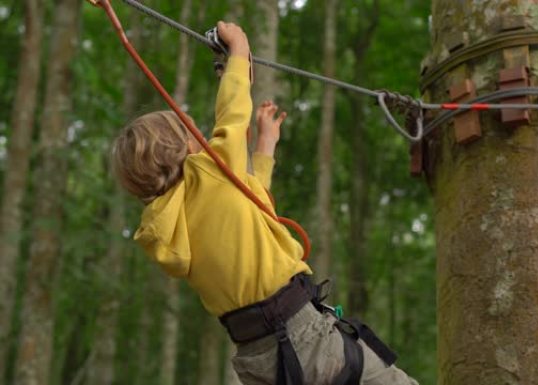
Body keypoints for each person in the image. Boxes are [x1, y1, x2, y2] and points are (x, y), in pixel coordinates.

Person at [112, 21, 418, 385]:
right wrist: (239, 52)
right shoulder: (207, 171)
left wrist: (265, 148)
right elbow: (232, 116)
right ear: (184, 148)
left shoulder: (170, 221)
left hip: (258, 359)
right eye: (189, 127)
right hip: (304, 337)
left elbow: (249, 205)